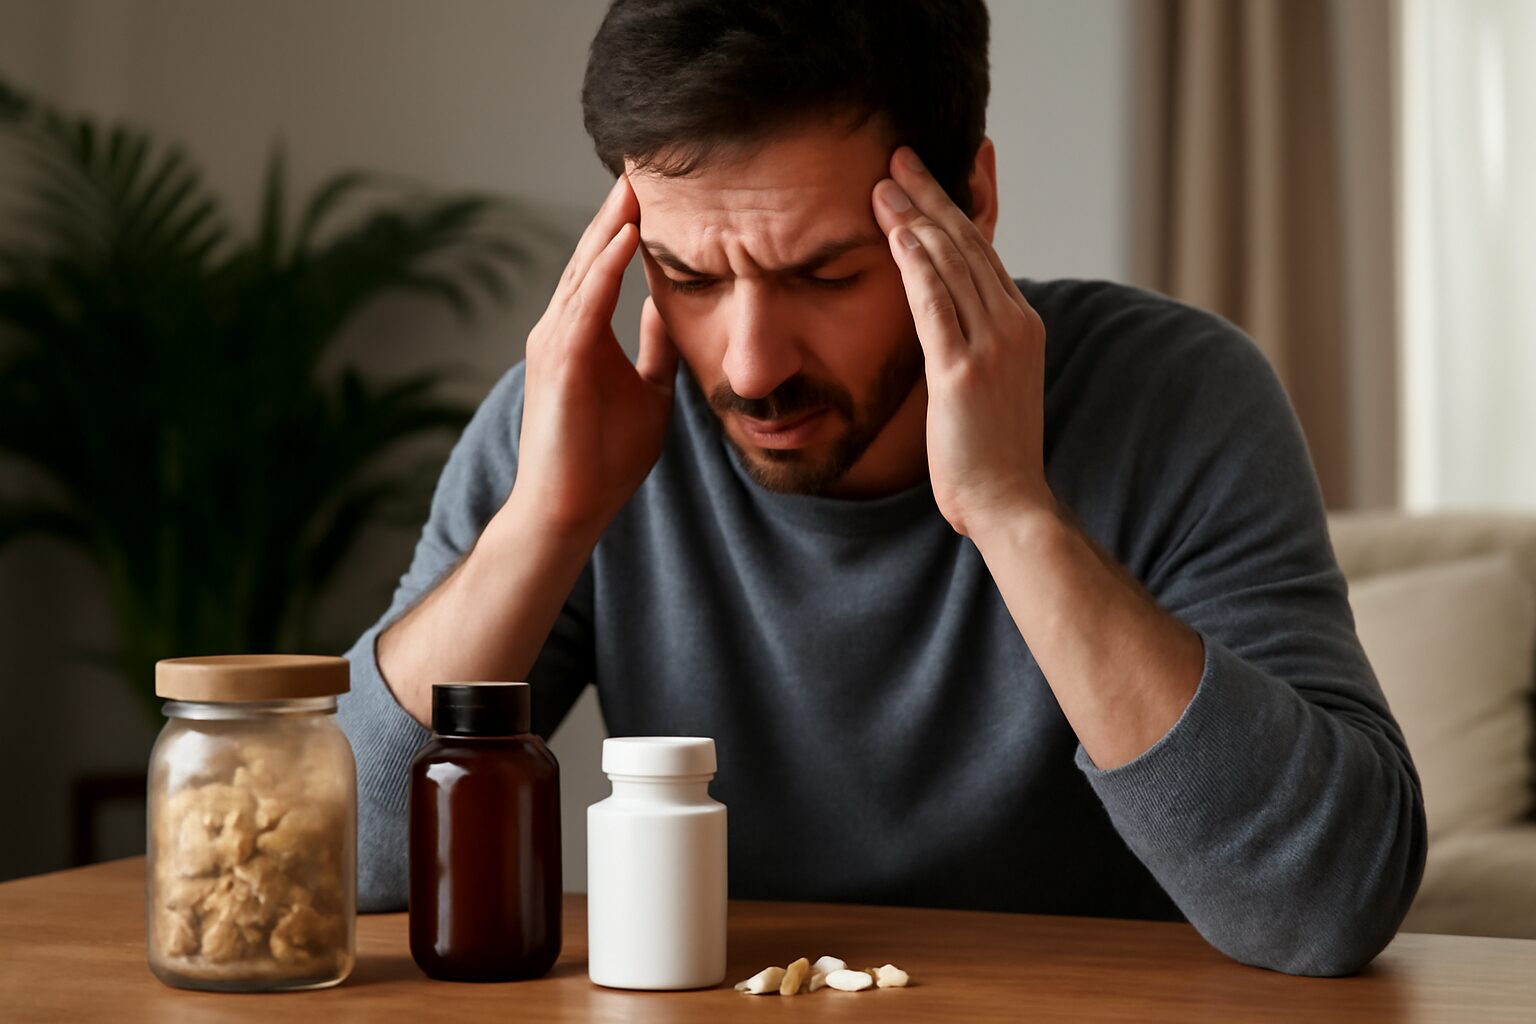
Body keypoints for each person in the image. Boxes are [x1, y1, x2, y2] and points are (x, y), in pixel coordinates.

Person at [338, 0, 1425, 976]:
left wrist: (1012, 511)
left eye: (825, 274)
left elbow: (1324, 906)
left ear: (974, 203)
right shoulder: (576, 426)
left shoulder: (1179, 396)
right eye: (690, 277)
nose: (752, 363)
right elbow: (327, 858)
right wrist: (549, 519)